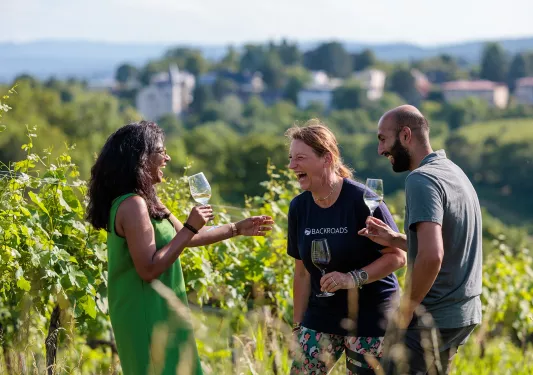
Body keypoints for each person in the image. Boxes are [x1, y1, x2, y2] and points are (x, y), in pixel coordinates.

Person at [86, 121, 274, 375]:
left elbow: (188, 238)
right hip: (144, 312)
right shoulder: (132, 205)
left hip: (162, 310)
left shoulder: (147, 199)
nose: (168, 158)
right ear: (142, 158)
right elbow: (149, 269)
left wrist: (237, 228)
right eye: (162, 152)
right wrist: (190, 227)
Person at [359, 105, 482, 374]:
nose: (380, 150)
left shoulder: (421, 179)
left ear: (405, 135)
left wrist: (405, 310)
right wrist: (396, 238)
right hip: (462, 314)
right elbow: (448, 243)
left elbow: (433, 256)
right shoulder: (452, 171)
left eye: (382, 139)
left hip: (432, 317)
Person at [285, 120, 406, 375]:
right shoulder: (299, 207)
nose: (292, 166)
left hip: (371, 315)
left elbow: (397, 256)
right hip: (321, 314)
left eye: (300, 158)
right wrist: (298, 327)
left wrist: (352, 278)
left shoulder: (363, 201)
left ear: (326, 158)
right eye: (291, 158)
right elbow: (303, 273)